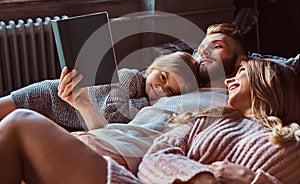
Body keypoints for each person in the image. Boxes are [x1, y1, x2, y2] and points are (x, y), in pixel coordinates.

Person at [0, 23, 250, 183]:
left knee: (19, 123)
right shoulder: (178, 94)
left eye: (216, 47)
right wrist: (84, 104)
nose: (203, 52)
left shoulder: (232, 98)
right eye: (201, 47)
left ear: (240, 62)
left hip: (113, 161)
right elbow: (118, 131)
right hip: (95, 140)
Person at [136, 59, 300, 184]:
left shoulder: (293, 142)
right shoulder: (207, 116)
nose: (228, 82)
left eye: (242, 71)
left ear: (268, 79)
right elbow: (154, 157)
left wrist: (253, 180)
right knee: (109, 166)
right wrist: (203, 178)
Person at [0, 51, 198, 130]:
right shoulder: (131, 78)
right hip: (50, 97)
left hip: (66, 121)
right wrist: (146, 104)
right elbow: (111, 114)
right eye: (162, 78)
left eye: (170, 90)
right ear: (154, 68)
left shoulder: (151, 106)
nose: (160, 88)